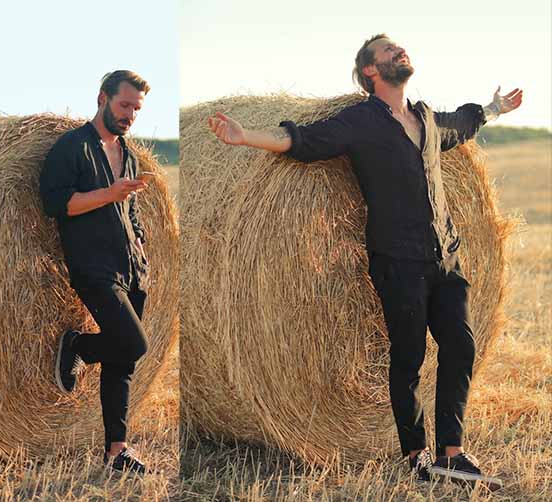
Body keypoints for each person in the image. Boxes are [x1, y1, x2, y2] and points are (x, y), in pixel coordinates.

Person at [208, 34, 522, 489]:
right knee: (409, 359)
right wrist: (244, 138)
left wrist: (493, 109)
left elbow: (464, 123)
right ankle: (416, 454)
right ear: (370, 72)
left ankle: (452, 452)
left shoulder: (427, 118)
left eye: (400, 48)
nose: (400, 52)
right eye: (389, 52)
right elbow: (305, 141)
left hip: (445, 256)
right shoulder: (361, 121)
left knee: (461, 347)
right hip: (399, 261)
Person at [39, 70, 153, 474]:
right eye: (124, 105)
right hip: (94, 266)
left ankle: (116, 451)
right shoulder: (71, 148)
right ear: (102, 97)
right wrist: (109, 194)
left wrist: (140, 240)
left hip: (132, 270)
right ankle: (80, 348)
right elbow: (56, 204)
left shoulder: (130, 153)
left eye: (136, 109)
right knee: (134, 344)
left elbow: (131, 210)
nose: (130, 115)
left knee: (123, 361)